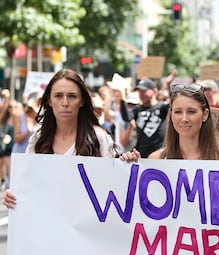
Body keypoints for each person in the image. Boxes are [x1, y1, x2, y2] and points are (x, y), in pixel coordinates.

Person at [3, 68, 138, 209]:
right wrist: (12, 196)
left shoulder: (98, 138)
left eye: (72, 96)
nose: (65, 103)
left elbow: (113, 187)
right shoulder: (38, 139)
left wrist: (127, 165)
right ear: (49, 100)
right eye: (58, 96)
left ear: (82, 101)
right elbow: (27, 185)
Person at [147, 83, 219, 160]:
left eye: (191, 112)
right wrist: (134, 165)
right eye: (178, 112)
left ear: (205, 114)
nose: (184, 119)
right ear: (171, 115)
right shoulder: (156, 159)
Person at [120, 78, 170, 158]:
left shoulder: (161, 108)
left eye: (144, 91)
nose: (141, 94)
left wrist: (168, 86)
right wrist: (122, 96)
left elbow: (174, 103)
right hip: (141, 155)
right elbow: (126, 117)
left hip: (158, 155)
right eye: (139, 92)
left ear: (154, 91)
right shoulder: (137, 109)